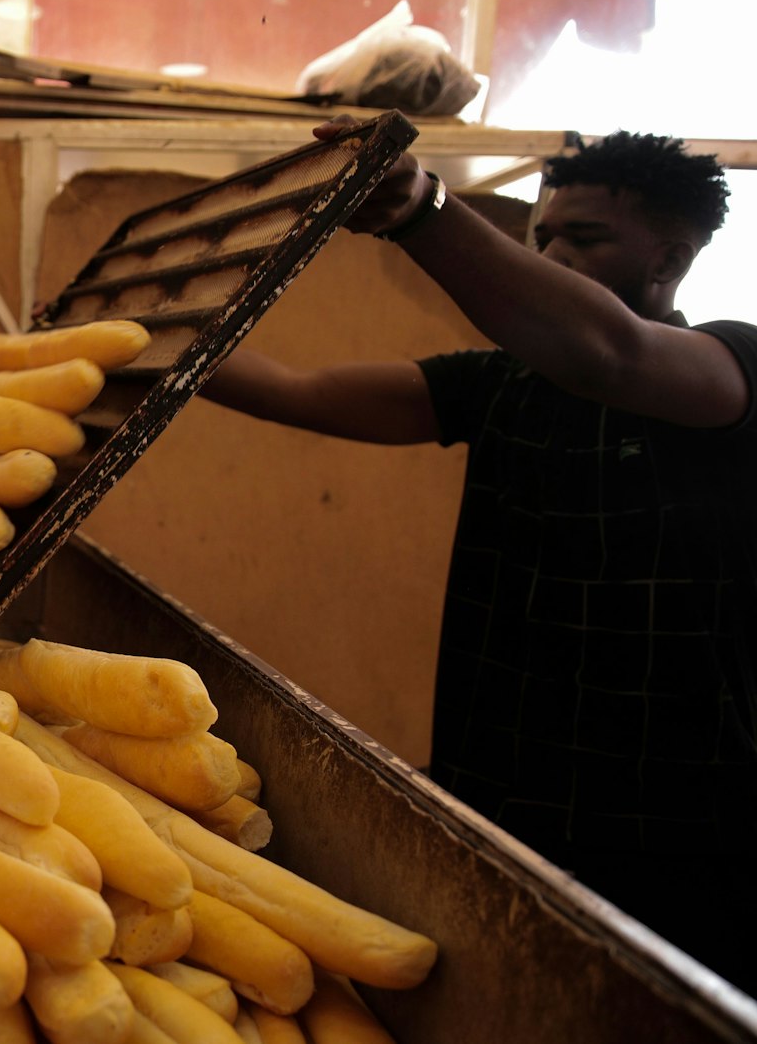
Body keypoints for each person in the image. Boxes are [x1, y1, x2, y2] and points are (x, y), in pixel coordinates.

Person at [201, 126, 757, 991]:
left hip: (679, 835)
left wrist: (422, 211)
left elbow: (611, 354)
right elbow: (292, 393)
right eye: (544, 236)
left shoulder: (733, 368)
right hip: (500, 809)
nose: (555, 251)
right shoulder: (495, 386)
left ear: (669, 259)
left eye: (588, 237)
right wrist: (138, 341)